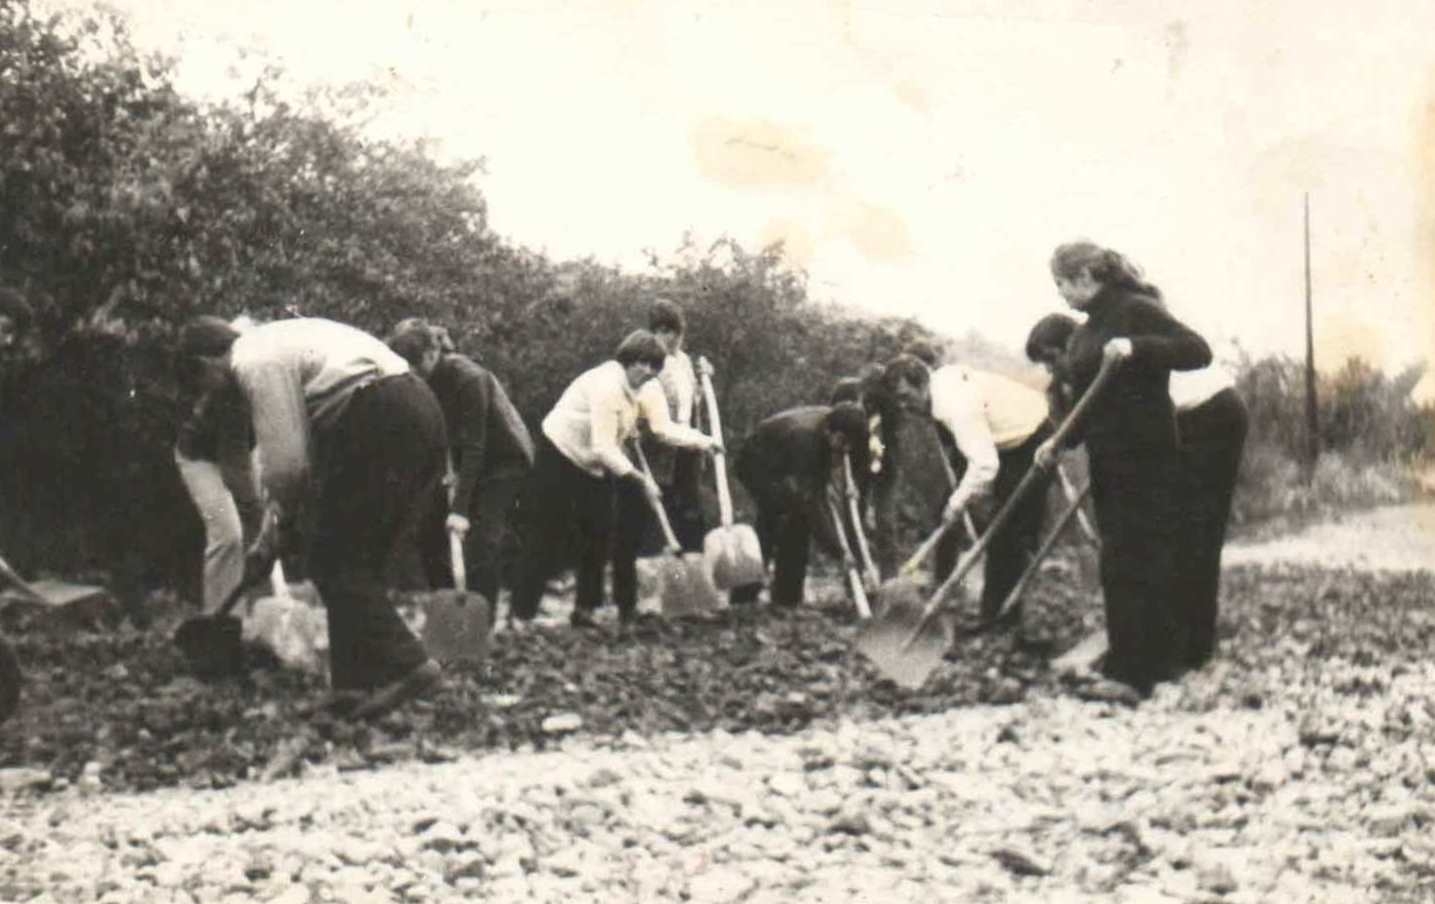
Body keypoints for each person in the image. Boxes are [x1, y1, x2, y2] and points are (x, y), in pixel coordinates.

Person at [177, 315, 447, 719]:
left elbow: (288, 467)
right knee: (353, 558)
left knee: (330, 557)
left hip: (384, 412)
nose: (211, 396)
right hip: (414, 408)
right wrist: (271, 532)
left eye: (203, 386)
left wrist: (280, 524)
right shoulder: (272, 342)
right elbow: (306, 454)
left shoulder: (254, 362)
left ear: (204, 364)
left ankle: (411, 665)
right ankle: (355, 683)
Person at [1034, 240, 1213, 701]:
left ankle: (1140, 672)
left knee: (1143, 555)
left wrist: (1135, 347)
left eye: (1062, 283)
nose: (1060, 293)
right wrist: (1058, 442)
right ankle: (1133, 662)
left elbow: (1197, 351)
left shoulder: (1135, 309)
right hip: (1109, 457)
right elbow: (1083, 407)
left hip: (1148, 452)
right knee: (1118, 560)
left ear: (1085, 276)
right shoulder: (1083, 335)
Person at [509, 330, 720, 628]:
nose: (647, 370)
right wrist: (639, 479)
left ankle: (585, 610)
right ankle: (521, 614)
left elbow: (663, 428)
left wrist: (704, 441)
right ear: (626, 360)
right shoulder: (607, 386)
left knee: (599, 531)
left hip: (595, 462)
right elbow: (604, 447)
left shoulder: (649, 387)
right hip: (559, 453)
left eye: (654, 365)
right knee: (547, 533)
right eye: (641, 363)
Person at [882, 353, 1053, 622]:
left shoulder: (954, 406)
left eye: (906, 397)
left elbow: (985, 465)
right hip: (1006, 438)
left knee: (1007, 532)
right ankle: (994, 611)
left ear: (921, 384)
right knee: (994, 525)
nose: (905, 407)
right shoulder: (939, 389)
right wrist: (957, 500)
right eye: (898, 401)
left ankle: (1001, 618)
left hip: (1031, 438)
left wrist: (957, 503)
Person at [387, 321, 535, 605]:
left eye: (416, 366)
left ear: (431, 354)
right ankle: (449, 609)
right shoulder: (422, 380)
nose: (412, 374)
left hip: (503, 460)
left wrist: (459, 510)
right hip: (462, 460)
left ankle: (482, 619)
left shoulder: (469, 379)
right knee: (427, 531)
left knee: (482, 542)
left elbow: (475, 445)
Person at [729, 402, 869, 609]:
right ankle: (744, 599)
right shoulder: (805, 440)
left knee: (798, 522)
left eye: (850, 445)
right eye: (842, 442)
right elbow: (811, 502)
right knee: (775, 521)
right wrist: (837, 549)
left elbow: (817, 491)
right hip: (758, 464)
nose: (845, 450)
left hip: (787, 460)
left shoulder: (836, 428)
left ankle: (787, 599)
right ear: (830, 432)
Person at [174, 343, 264, 615]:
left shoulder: (261, 372)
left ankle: (263, 612)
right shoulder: (229, 394)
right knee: (228, 535)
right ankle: (220, 618)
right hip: (200, 461)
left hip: (242, 453)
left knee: (265, 530)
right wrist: (256, 510)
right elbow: (234, 468)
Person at [639, 299, 709, 553]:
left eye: (677, 333)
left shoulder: (684, 361)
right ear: (656, 332)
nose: (672, 339)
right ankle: (657, 562)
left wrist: (704, 380)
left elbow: (693, 399)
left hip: (687, 442)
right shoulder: (648, 362)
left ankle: (692, 561)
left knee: (690, 506)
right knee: (660, 504)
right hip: (658, 446)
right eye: (665, 332)